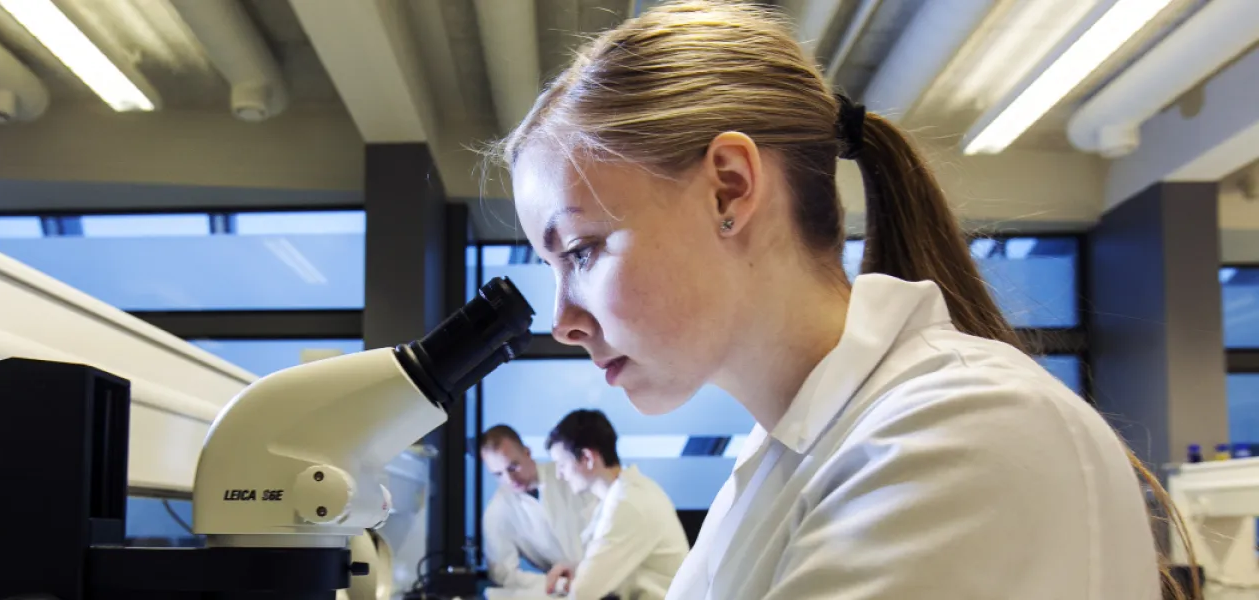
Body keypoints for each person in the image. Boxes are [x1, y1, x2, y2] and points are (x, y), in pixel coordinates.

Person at [491, 2, 1192, 598]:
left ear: (728, 189)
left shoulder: (964, 432)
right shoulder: (776, 462)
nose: (563, 322)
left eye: (580, 251)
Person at [542, 410, 688, 600]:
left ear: (587, 458)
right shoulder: (626, 491)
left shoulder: (627, 503)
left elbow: (582, 594)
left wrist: (576, 582)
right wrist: (577, 569)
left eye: (561, 464)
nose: (559, 475)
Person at [479, 424, 595, 590]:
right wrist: (558, 583)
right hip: (564, 590)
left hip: (608, 573)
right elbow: (504, 574)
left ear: (527, 453)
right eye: (498, 474)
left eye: (513, 467)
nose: (510, 479)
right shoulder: (497, 512)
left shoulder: (567, 475)